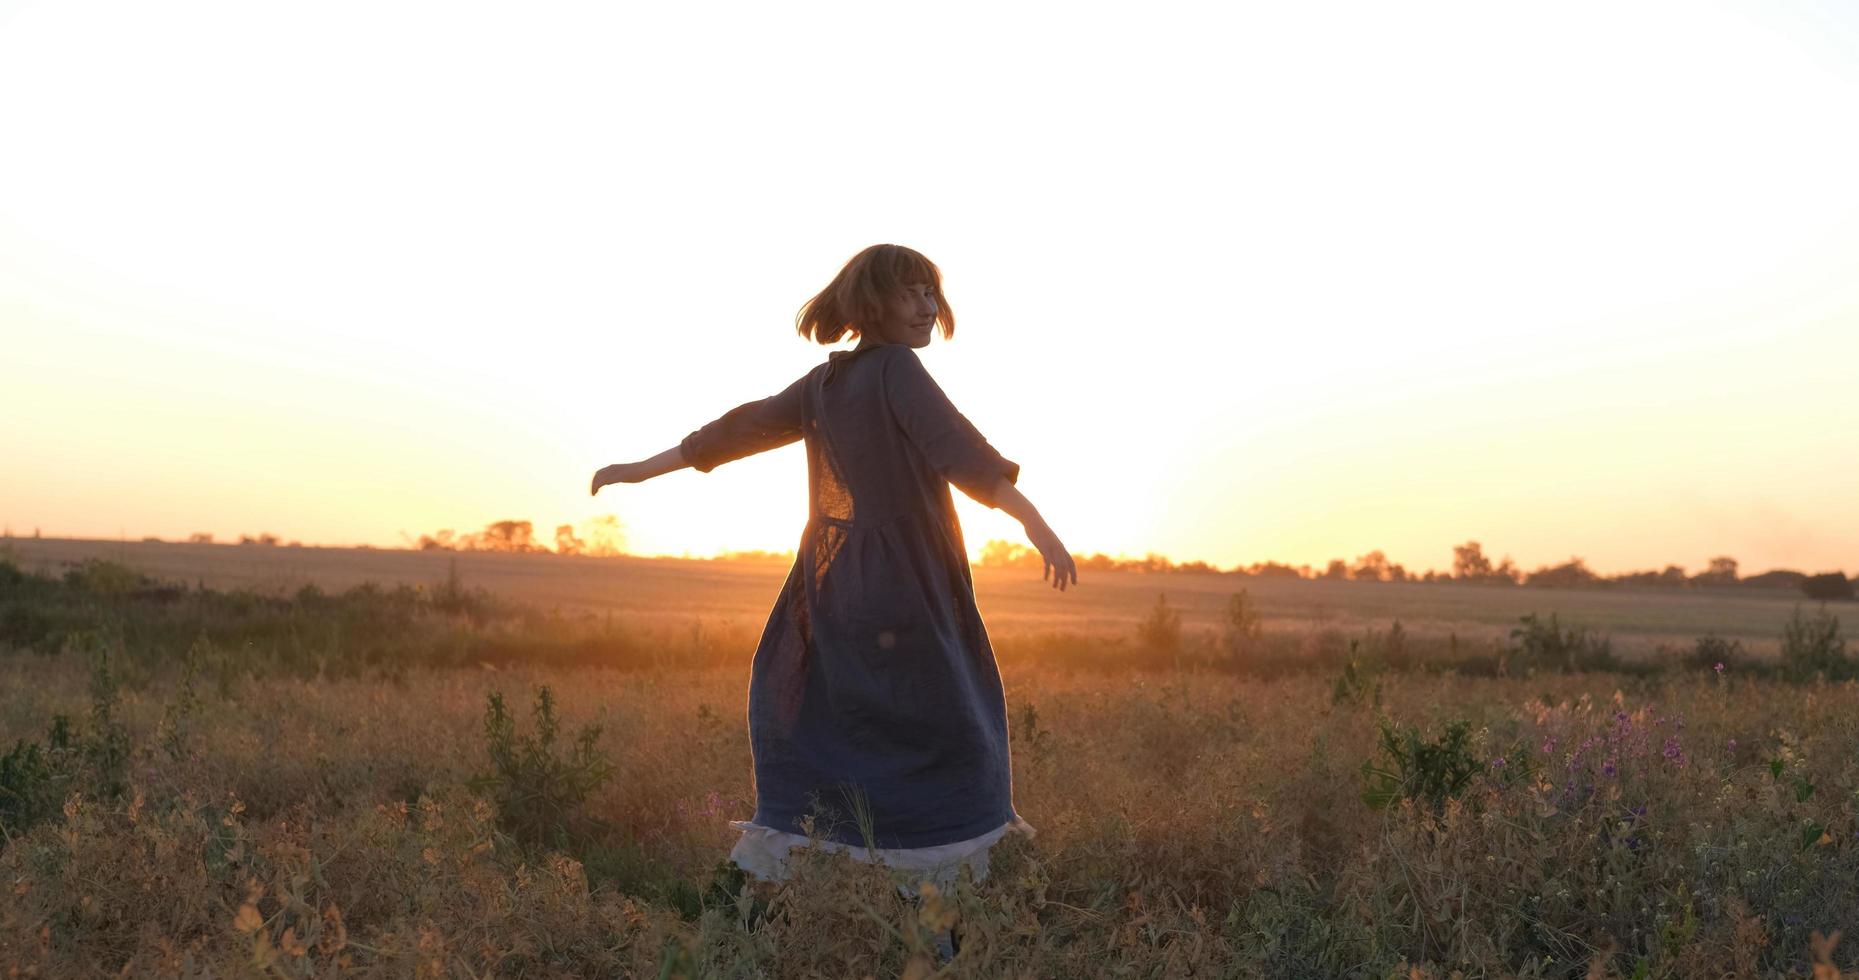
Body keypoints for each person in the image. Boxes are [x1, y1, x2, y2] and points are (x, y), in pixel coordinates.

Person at [591, 243, 1076, 959]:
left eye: (930, 295)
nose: (925, 308)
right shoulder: (894, 370)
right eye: (911, 293)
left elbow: (737, 429)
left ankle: (732, 939)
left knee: (836, 734)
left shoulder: (825, 384)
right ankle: (930, 943)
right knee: (953, 746)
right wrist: (1032, 519)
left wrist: (641, 469)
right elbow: (958, 452)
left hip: (833, 591)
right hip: (906, 591)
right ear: (870, 304)